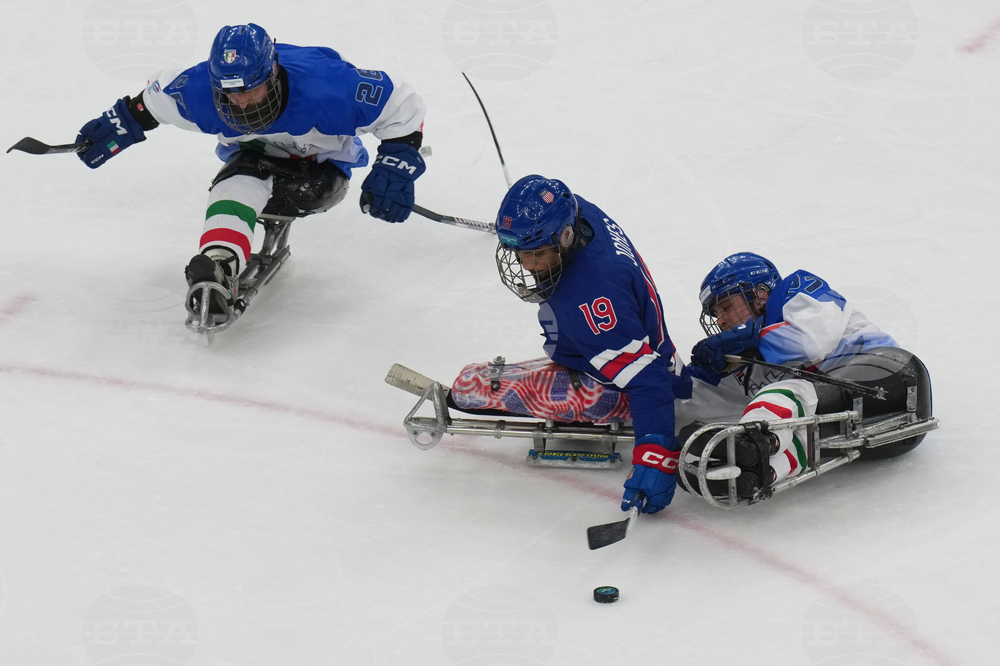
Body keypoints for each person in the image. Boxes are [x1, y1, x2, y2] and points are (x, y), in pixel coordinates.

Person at [74, 23, 427, 313]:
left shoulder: (330, 88)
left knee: (303, 193)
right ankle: (220, 263)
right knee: (235, 183)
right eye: (229, 93)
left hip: (322, 165)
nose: (241, 103)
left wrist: (395, 166)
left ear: (272, 72)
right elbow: (149, 103)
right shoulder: (196, 91)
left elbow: (402, 104)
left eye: (250, 91)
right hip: (251, 156)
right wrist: (119, 123)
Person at [494, 175, 690, 515]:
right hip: (622, 329)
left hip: (626, 365)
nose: (526, 265)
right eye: (520, 253)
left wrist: (655, 457)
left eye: (536, 254)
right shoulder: (576, 211)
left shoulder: (591, 302)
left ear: (565, 237)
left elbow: (650, 381)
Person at [677, 252, 901, 499]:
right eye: (715, 313)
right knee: (800, 432)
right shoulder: (749, 360)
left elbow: (814, 342)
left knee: (790, 393)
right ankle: (757, 472)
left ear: (760, 294)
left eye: (726, 307)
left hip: (889, 379)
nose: (720, 320)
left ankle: (753, 442)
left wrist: (748, 341)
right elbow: (692, 401)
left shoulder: (795, 289)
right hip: (855, 426)